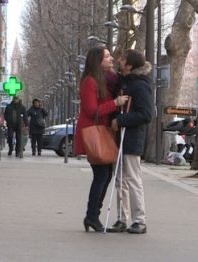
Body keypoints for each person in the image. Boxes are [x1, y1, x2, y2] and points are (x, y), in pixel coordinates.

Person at [74, 46, 129, 232]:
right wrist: (114, 104)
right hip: (94, 133)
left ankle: (92, 215)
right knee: (101, 175)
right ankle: (91, 215)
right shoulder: (90, 81)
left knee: (105, 175)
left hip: (103, 131)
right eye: (107, 56)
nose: (111, 58)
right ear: (97, 60)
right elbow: (91, 110)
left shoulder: (107, 80)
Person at [108, 49, 153, 234]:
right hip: (120, 137)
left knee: (133, 178)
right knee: (120, 180)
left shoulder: (140, 85)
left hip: (132, 137)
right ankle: (122, 218)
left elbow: (146, 114)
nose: (119, 61)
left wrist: (121, 120)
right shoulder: (125, 82)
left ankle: (139, 219)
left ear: (130, 65)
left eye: (123, 59)